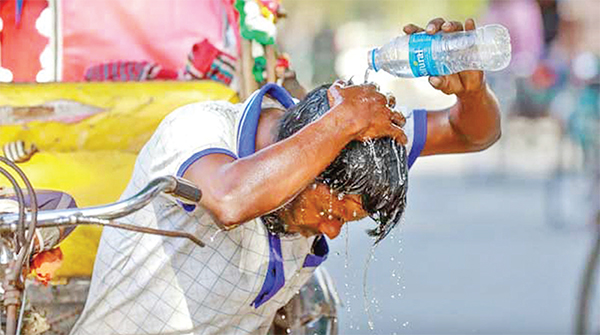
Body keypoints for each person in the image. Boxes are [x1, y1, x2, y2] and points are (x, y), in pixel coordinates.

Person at [71, 18, 500, 335]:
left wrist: (471, 90)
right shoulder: (196, 130)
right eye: (332, 210)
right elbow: (230, 200)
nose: (331, 230)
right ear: (312, 160)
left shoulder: (354, 150)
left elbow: (472, 133)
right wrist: (340, 124)